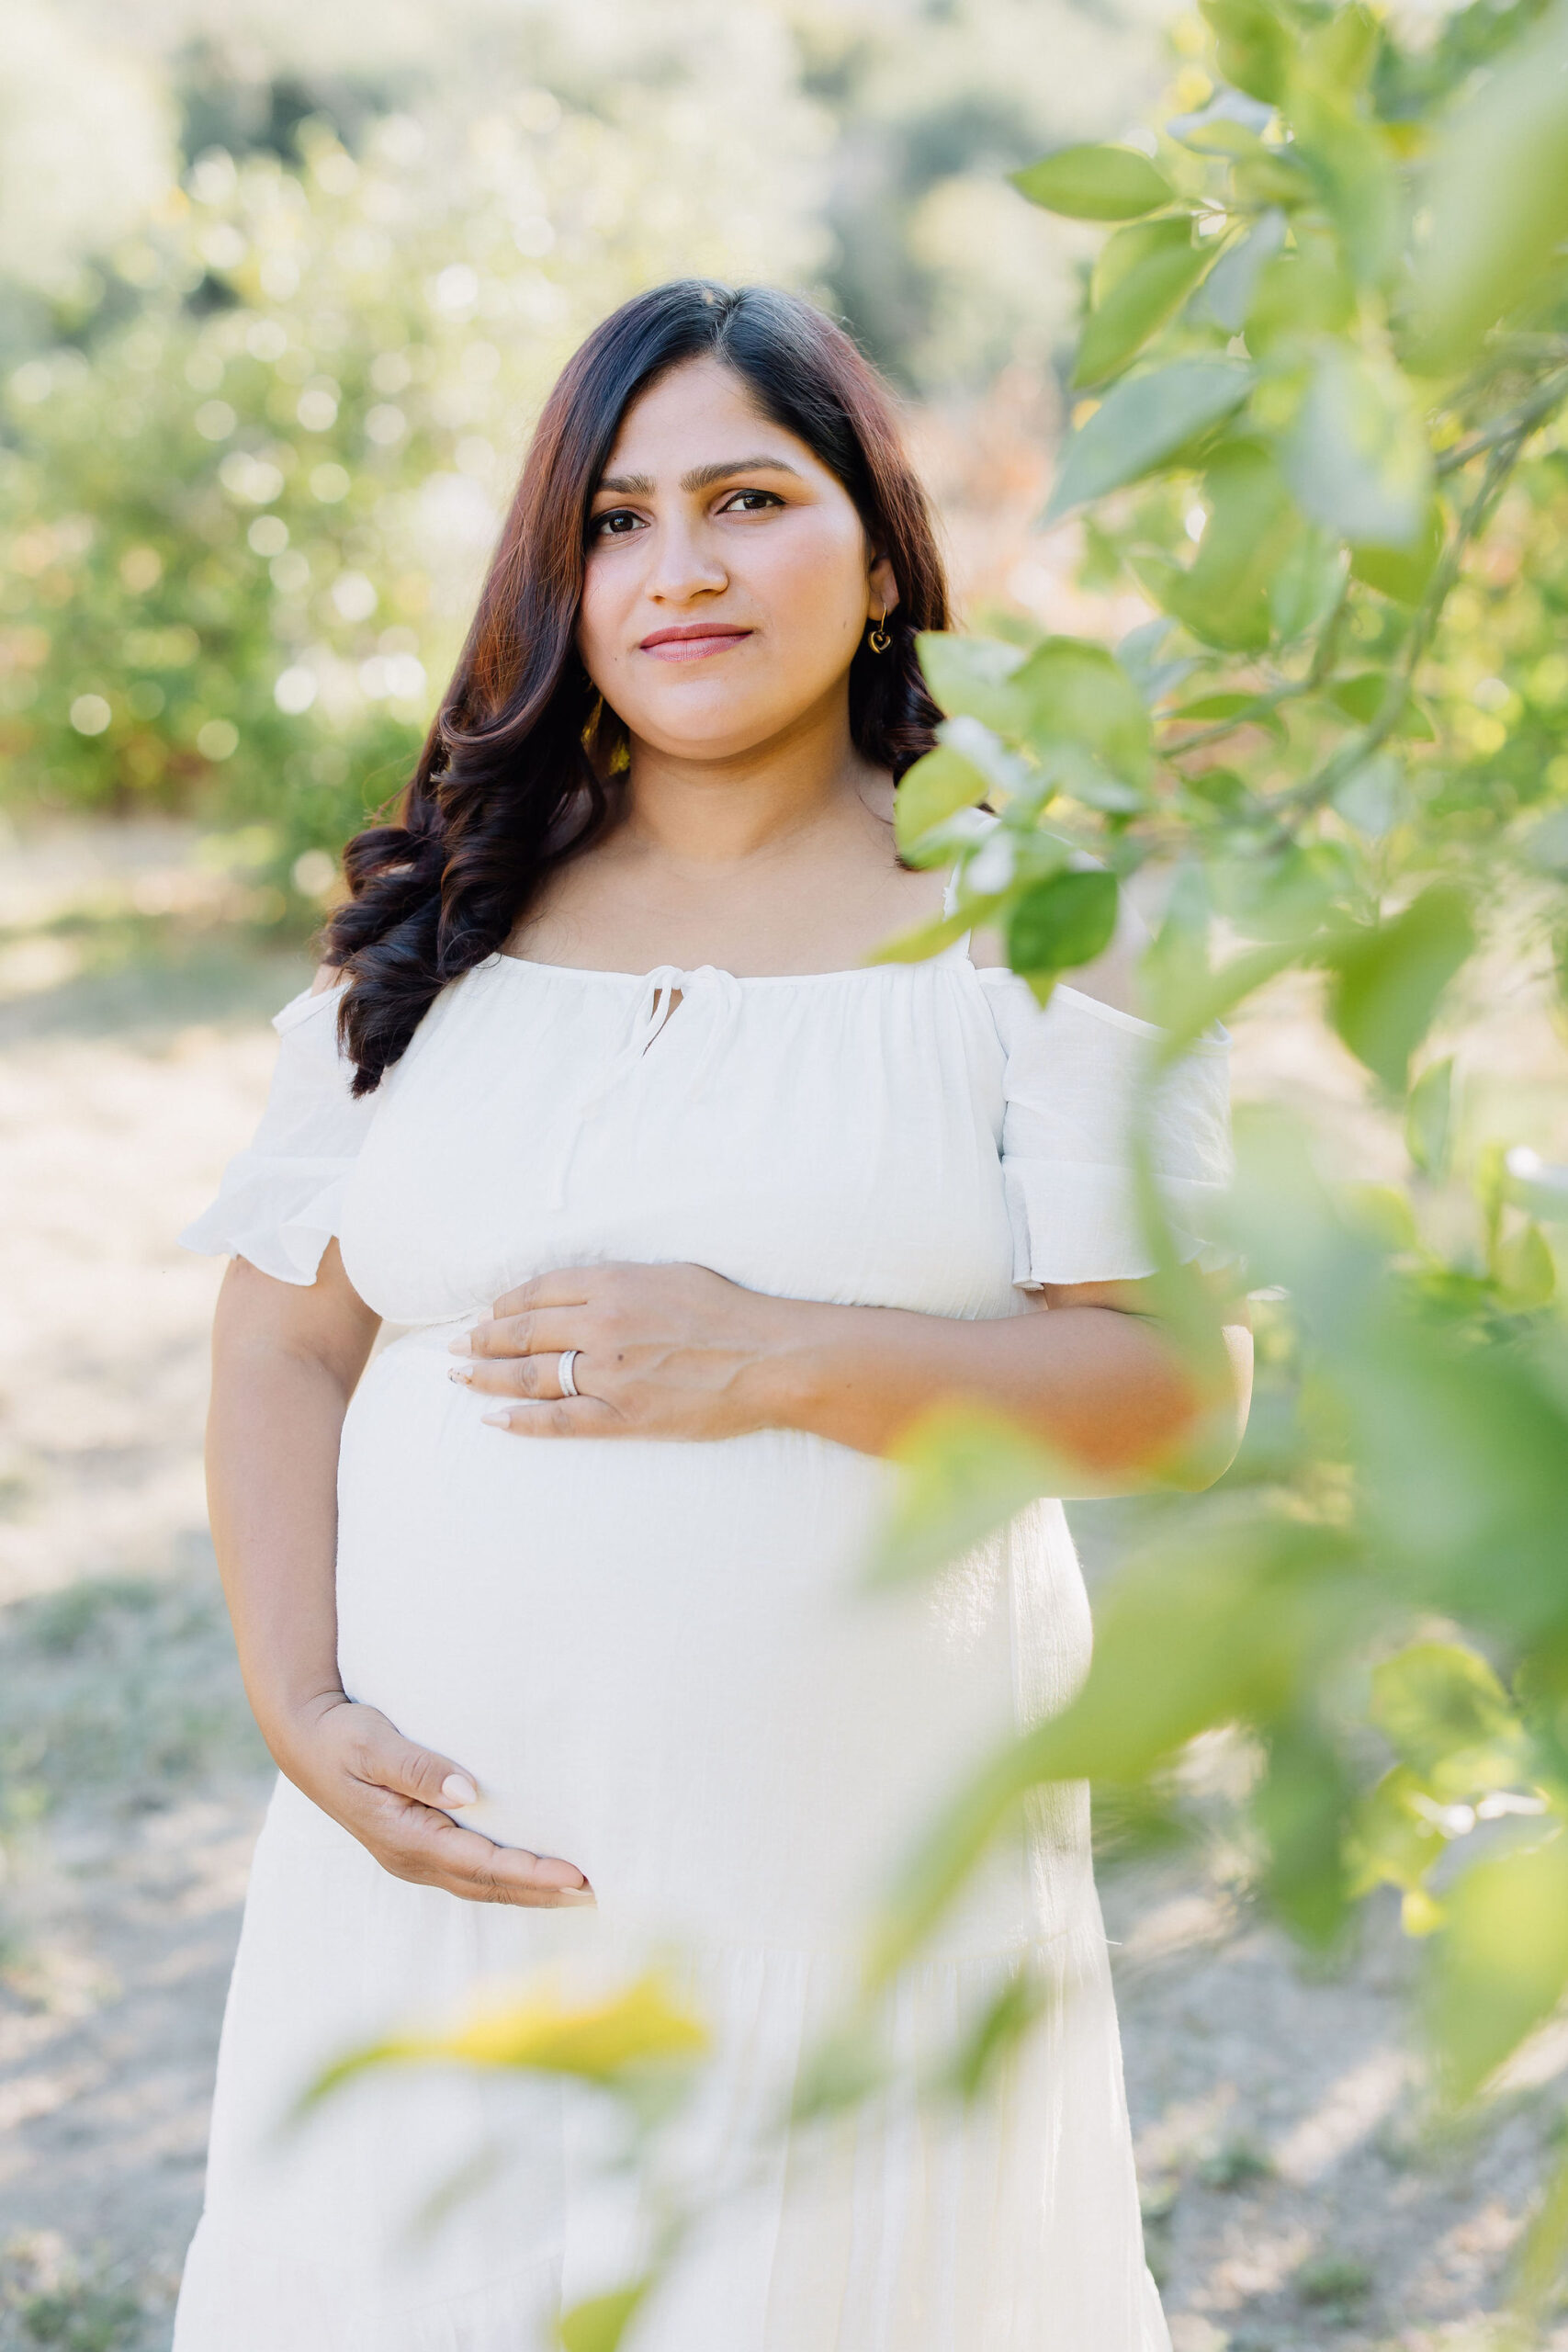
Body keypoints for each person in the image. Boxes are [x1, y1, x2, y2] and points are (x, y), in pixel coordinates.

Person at [174, 278, 1248, 2351]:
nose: (676, 569)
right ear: (556, 573)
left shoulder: (1046, 907)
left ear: (872, 551)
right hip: (438, 1893)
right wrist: (300, 1709)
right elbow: (280, 1344)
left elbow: (1169, 1390)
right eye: (613, 518)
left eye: (745, 498)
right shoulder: (449, 915)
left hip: (844, 1889)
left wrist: (772, 1351)